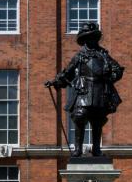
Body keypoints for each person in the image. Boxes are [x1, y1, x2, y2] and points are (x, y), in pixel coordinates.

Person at [45, 22, 124, 161]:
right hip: (83, 90)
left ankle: (96, 149)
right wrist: (55, 81)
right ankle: (78, 149)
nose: (92, 40)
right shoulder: (79, 56)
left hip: (100, 92)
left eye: (94, 37)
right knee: (80, 117)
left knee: (97, 121)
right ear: (84, 40)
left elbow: (117, 69)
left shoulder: (103, 55)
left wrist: (110, 77)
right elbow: (67, 73)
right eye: (89, 37)